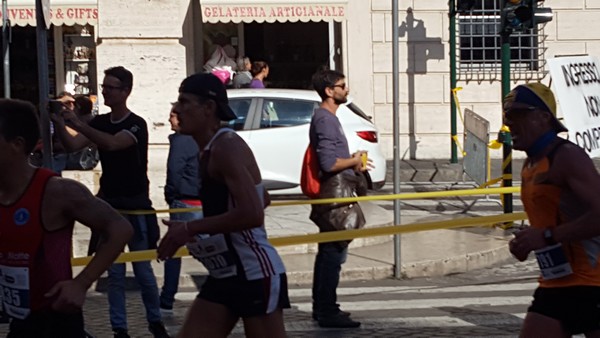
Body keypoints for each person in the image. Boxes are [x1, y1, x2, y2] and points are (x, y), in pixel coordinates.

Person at [157, 73, 289, 338]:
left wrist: (190, 229)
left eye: (184, 102)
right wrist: (211, 239)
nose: (175, 110)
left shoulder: (225, 147)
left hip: (254, 272)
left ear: (208, 108)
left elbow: (252, 213)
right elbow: (261, 198)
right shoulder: (208, 149)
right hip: (226, 271)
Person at [51, 66, 170, 338]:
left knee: (143, 271)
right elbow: (73, 145)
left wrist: (79, 123)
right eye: (103, 86)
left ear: (125, 91)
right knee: (114, 274)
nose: (104, 91)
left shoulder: (135, 124)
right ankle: (119, 328)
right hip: (110, 207)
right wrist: (60, 122)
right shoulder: (100, 121)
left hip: (136, 204)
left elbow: (114, 143)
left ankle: (155, 321)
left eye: (110, 87)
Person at [0, 98, 133, 337]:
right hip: (18, 319)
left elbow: (120, 228)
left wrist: (82, 283)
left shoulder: (57, 191)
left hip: (55, 321)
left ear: (16, 144)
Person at [504, 83, 600, 337]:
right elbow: (550, 218)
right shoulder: (529, 165)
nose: (509, 123)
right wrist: (526, 241)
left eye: (517, 115)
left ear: (544, 117)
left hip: (595, 282)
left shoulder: (568, 156)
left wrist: (546, 236)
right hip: (557, 282)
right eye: (507, 116)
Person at [309, 69, 366, 328]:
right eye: (342, 86)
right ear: (329, 91)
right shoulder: (325, 119)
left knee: (330, 254)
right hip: (334, 197)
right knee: (333, 256)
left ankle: (324, 308)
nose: (347, 89)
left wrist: (353, 162)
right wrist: (354, 160)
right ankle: (326, 310)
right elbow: (329, 162)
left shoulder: (328, 117)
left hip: (335, 193)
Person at [160, 110, 203, 314]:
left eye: (173, 115)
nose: (169, 119)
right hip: (198, 199)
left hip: (184, 200)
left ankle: (167, 297)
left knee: (173, 248)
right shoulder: (198, 138)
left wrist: (171, 195)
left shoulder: (181, 141)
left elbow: (174, 170)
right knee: (206, 246)